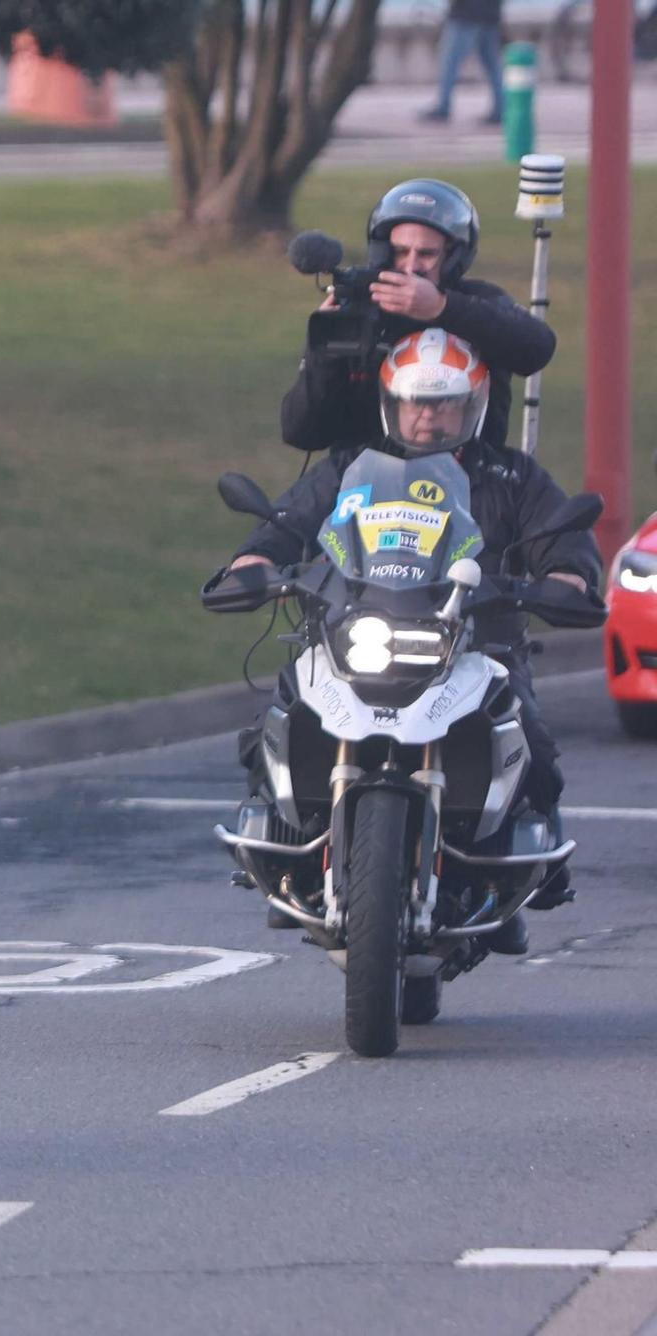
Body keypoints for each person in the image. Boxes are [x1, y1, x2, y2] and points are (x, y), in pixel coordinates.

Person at [230, 329, 602, 952]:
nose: (429, 415)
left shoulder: (510, 475)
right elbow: (290, 522)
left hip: (479, 647)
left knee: (530, 734)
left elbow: (562, 542)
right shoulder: (351, 467)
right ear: (392, 404)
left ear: (473, 406)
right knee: (284, 707)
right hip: (361, 633)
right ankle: (284, 848)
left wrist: (567, 576)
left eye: (445, 402)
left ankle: (530, 868)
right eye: (415, 402)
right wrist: (253, 563)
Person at [281, 179, 554, 458]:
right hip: (364, 487)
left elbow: (537, 347)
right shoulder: (357, 310)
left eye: (426, 254)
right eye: (400, 252)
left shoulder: (480, 303)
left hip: (469, 485)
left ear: (454, 257)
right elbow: (302, 432)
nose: (411, 266)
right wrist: (323, 354)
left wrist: (441, 308)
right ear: (382, 252)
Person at [420, 0, 506, 126]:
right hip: (490, 15)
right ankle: (501, 108)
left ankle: (443, 106)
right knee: (493, 66)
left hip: (465, 15)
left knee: (450, 63)